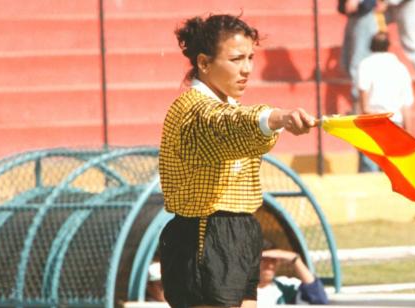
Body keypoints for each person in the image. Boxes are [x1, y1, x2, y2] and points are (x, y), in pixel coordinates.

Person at [158, 14, 316, 308]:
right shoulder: (192, 109)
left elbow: (239, 124)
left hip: (240, 231)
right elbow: (225, 124)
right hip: (205, 234)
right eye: (235, 59)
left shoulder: (228, 105)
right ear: (204, 63)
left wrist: (273, 120)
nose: (246, 69)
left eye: (250, 58)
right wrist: (277, 116)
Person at [356, 31, 414, 172]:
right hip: (395, 123)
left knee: (370, 171)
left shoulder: (366, 64)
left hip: (373, 122)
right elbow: (406, 105)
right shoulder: (400, 68)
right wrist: (409, 135)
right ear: (388, 46)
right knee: (393, 171)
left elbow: (364, 98)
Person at [257, 241, 328, 305]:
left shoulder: (285, 286)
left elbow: (319, 300)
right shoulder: (246, 288)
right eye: (263, 260)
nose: (270, 265)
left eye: (273, 260)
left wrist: (295, 259)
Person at [338, 0, 379, 111]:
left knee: (358, 65)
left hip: (365, 17)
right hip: (354, 17)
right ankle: (360, 106)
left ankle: (359, 108)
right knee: (346, 63)